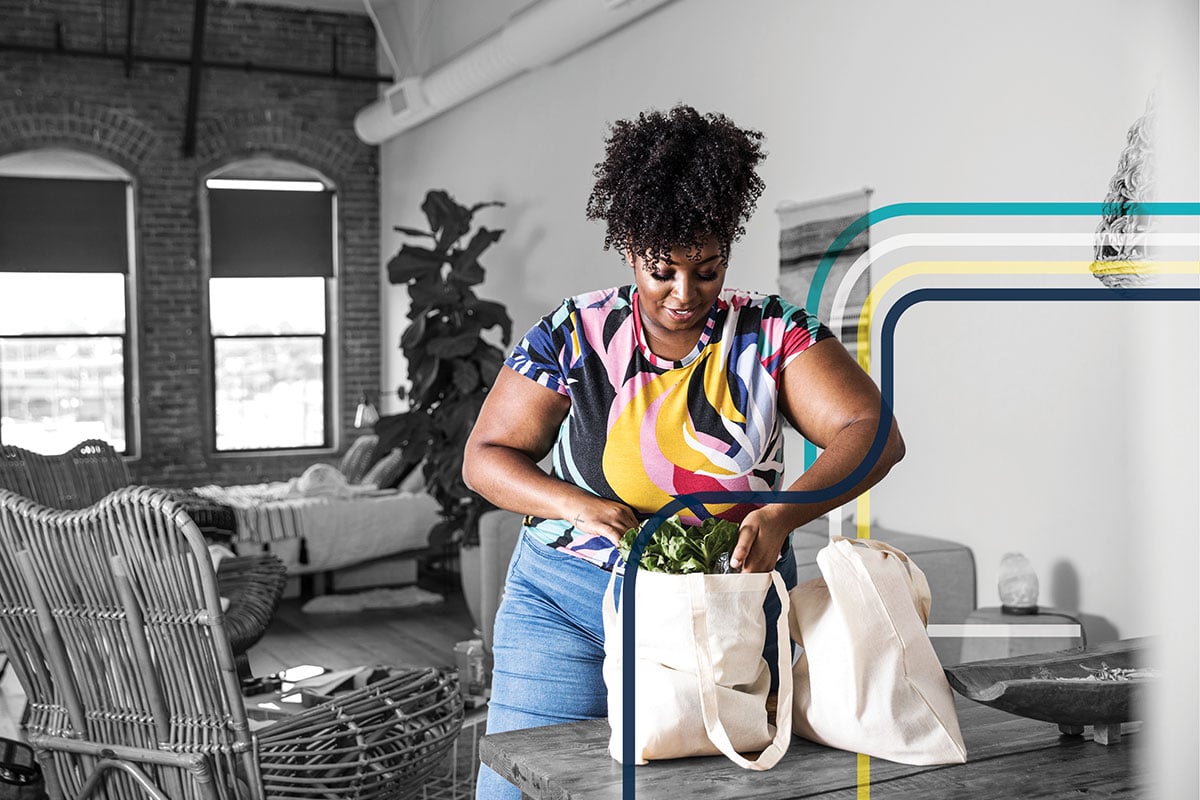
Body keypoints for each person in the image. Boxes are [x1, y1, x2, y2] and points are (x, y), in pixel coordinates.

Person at [463, 104, 905, 799]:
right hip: (567, 598)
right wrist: (575, 505)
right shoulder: (574, 332)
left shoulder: (773, 333)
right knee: (523, 784)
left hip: (725, 602)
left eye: (707, 269)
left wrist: (783, 514)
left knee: (712, 786)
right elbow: (486, 455)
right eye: (662, 269)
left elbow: (872, 431)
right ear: (630, 241)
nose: (684, 294)